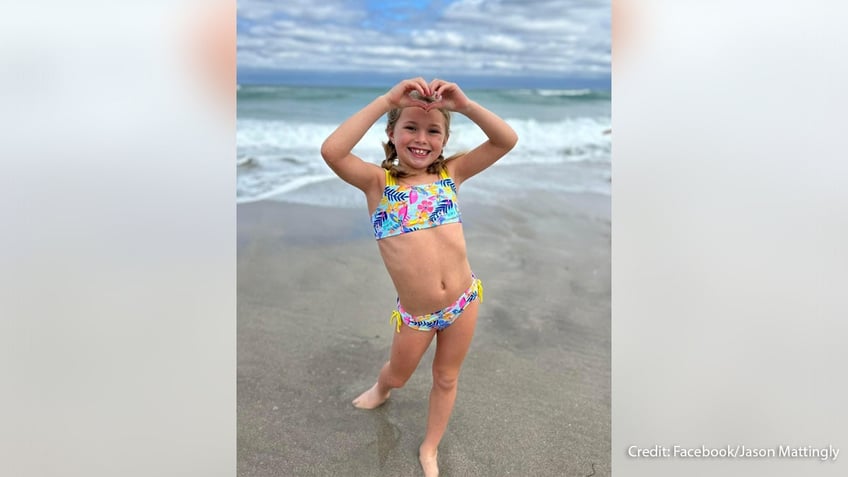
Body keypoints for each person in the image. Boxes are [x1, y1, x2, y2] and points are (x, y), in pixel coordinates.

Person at [320, 77, 517, 477]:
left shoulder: (451, 175)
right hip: (417, 316)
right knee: (399, 374)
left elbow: (505, 140)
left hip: (465, 301)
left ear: (444, 140)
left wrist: (464, 105)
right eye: (410, 127)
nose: (421, 138)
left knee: (446, 379)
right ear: (391, 133)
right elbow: (332, 151)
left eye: (433, 130)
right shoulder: (379, 184)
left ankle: (430, 448)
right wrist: (387, 99)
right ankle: (382, 388)